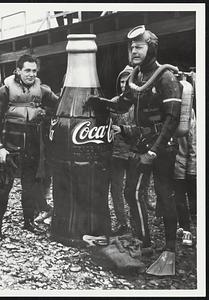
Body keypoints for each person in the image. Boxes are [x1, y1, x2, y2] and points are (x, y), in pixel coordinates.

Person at [87, 25, 182, 273]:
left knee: (164, 195)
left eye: (139, 46)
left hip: (163, 145)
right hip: (143, 143)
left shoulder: (165, 77)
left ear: (151, 48)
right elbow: (124, 103)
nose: (134, 51)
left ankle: (170, 252)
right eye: (132, 47)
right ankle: (145, 243)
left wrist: (153, 152)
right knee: (132, 192)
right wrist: (103, 103)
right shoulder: (136, 76)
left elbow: (172, 119)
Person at [0, 54, 59, 240]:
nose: (31, 74)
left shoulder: (42, 90)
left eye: (34, 71)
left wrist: (47, 112)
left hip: (33, 147)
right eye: (27, 70)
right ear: (18, 70)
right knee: (5, 187)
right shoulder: (4, 91)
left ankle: (28, 222)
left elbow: (60, 104)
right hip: (10, 146)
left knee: (29, 187)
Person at [110, 65, 133, 235]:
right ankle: (122, 223)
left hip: (134, 152)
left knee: (132, 191)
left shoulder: (140, 102)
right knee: (116, 188)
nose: (124, 83)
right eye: (122, 80)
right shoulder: (114, 101)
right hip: (117, 152)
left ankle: (138, 224)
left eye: (128, 80)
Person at [174, 108, 196, 246]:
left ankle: (193, 231)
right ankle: (186, 230)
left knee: (192, 201)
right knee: (179, 200)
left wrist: (192, 167)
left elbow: (193, 140)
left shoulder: (187, 110)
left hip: (186, 164)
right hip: (175, 164)